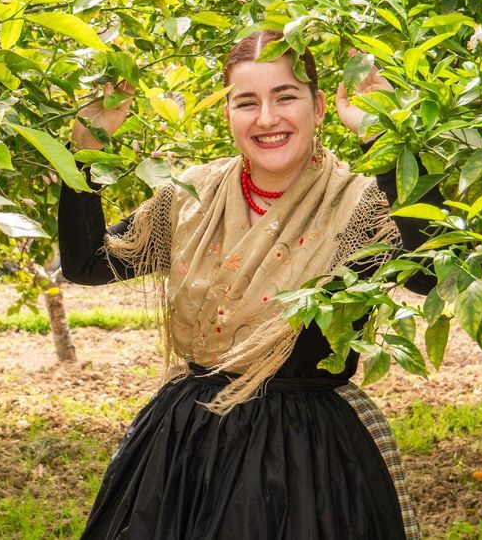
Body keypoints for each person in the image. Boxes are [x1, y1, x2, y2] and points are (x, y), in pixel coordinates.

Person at [58, 30, 441, 539]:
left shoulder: (358, 208)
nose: (267, 119)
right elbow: (88, 262)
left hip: (308, 460)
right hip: (183, 451)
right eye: (247, 102)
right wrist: (83, 150)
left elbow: (431, 274)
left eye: (285, 97)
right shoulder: (191, 198)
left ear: (321, 106)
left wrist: (388, 139)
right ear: (229, 115)